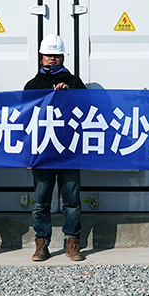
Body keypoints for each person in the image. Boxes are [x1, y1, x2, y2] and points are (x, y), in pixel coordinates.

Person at [24, 34, 87, 262]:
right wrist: (28, 155)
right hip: (43, 154)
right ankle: (42, 244)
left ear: (63, 57)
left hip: (69, 152)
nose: (52, 59)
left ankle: (72, 243)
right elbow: (25, 122)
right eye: (48, 56)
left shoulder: (75, 83)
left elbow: (89, 110)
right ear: (41, 58)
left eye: (56, 56)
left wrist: (71, 95)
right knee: (41, 203)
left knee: (72, 202)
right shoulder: (32, 86)